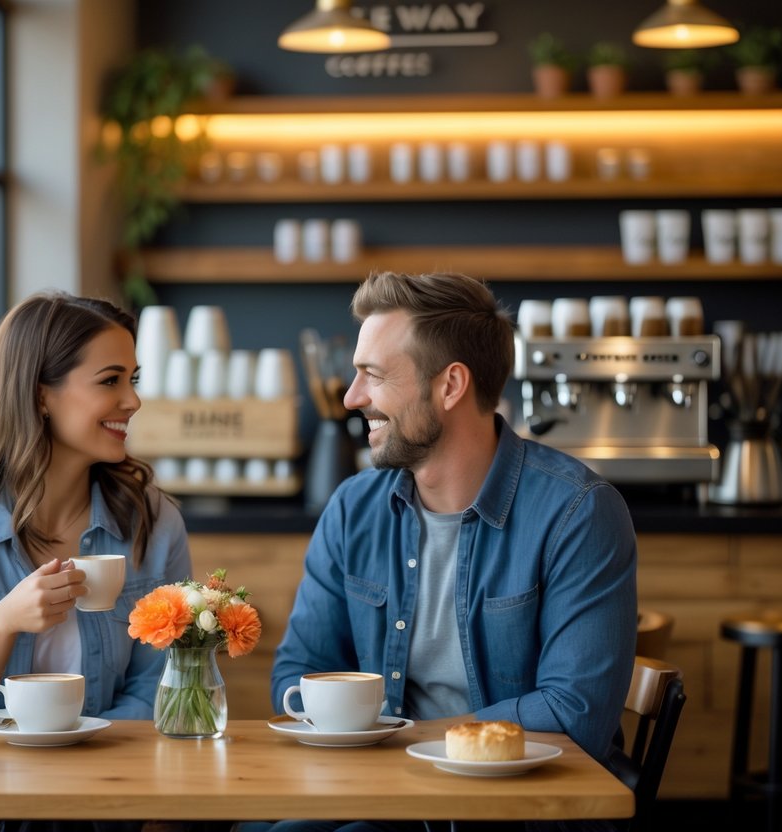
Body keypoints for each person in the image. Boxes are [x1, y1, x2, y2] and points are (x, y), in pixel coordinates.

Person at [251, 271, 638, 832]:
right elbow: (300, 671)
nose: (351, 397)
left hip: (513, 812)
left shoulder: (578, 513)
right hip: (378, 795)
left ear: (450, 386)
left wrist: (403, 739)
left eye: (373, 376)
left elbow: (576, 714)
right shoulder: (353, 508)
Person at [0, 292, 193, 832]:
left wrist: (69, 761)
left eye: (133, 380)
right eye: (109, 381)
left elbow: (162, 685)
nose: (132, 401)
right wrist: (0, 625)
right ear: (41, 394)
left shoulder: (152, 523)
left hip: (93, 807)